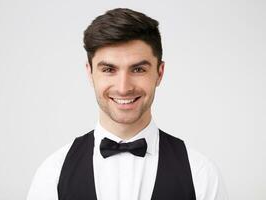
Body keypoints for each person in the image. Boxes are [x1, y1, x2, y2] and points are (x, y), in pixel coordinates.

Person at [27, 8, 227, 200]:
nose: (123, 88)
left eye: (138, 70)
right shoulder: (52, 173)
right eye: (108, 69)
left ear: (160, 73)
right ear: (90, 74)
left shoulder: (200, 173)